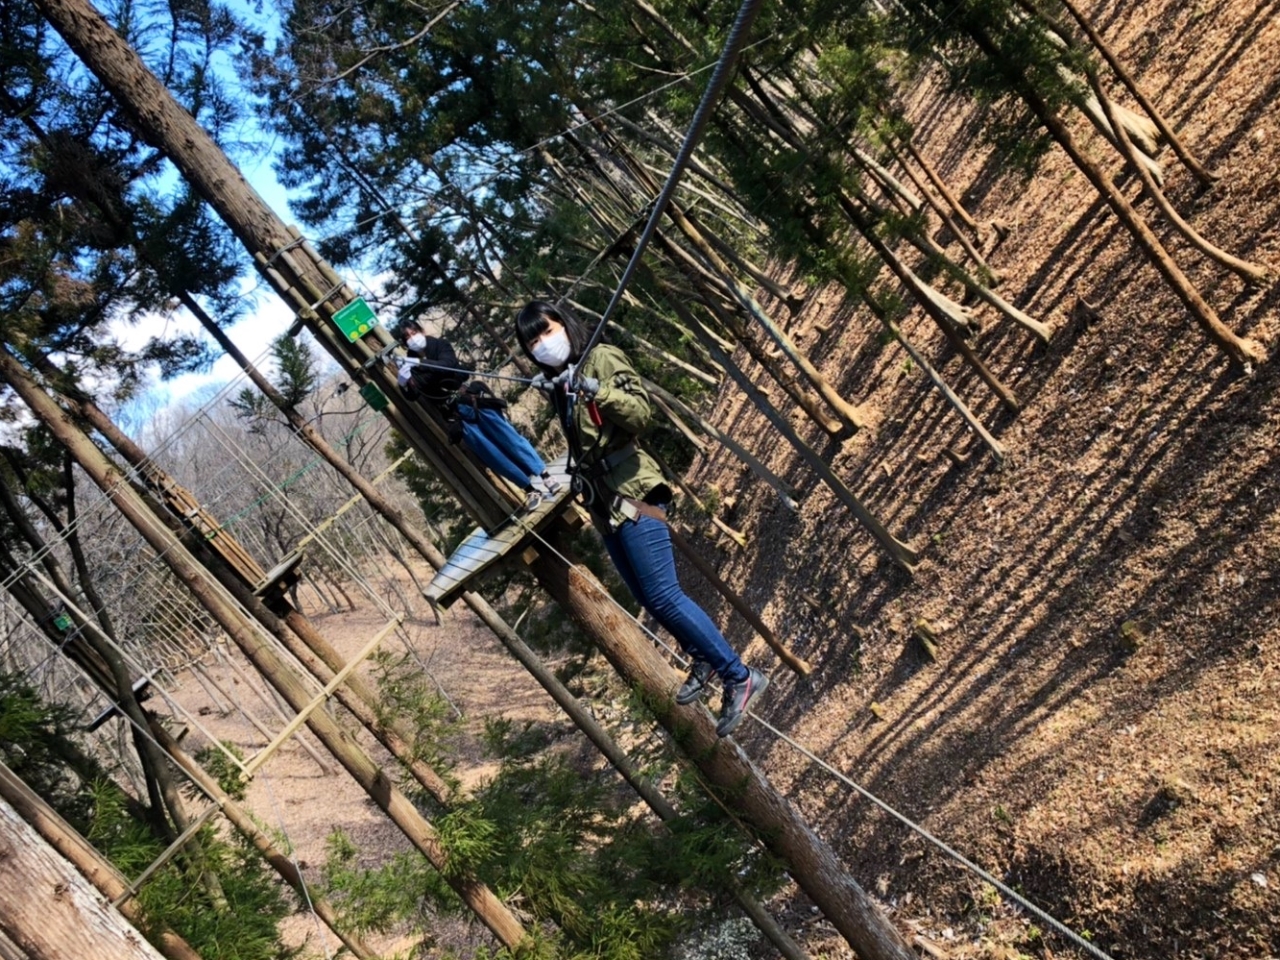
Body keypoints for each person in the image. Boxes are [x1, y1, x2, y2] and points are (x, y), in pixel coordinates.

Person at [513, 300, 768, 737]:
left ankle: (739, 676)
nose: (542, 345)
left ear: (565, 325)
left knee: (665, 594)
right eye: (533, 342)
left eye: (546, 332)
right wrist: (562, 391)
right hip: (605, 502)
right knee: (648, 598)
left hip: (635, 492)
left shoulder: (600, 359)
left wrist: (595, 389)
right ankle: (703, 655)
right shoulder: (563, 382)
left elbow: (641, 414)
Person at [395, 321, 560, 511]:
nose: (412, 338)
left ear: (421, 331)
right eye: (407, 337)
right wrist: (404, 383)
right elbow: (415, 393)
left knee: (510, 438)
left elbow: (448, 366)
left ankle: (545, 475)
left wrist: (422, 365)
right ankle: (529, 488)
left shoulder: (440, 346)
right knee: (491, 453)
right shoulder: (410, 363)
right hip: (455, 414)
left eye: (414, 332)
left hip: (472, 400)